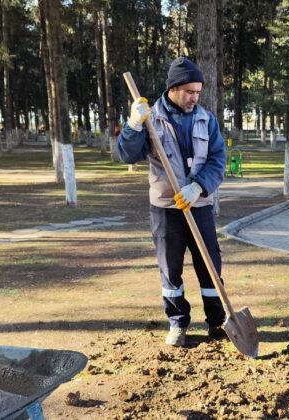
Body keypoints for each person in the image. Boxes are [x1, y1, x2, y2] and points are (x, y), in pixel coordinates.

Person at [117, 57, 227, 348]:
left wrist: (198, 187)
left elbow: (218, 161)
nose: (195, 97)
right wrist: (132, 125)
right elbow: (127, 155)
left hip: (198, 205)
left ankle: (218, 322)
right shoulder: (150, 118)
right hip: (166, 208)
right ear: (174, 89)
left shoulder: (206, 119)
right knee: (170, 268)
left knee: (210, 266)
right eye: (190, 91)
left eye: (198, 92)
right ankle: (178, 323)